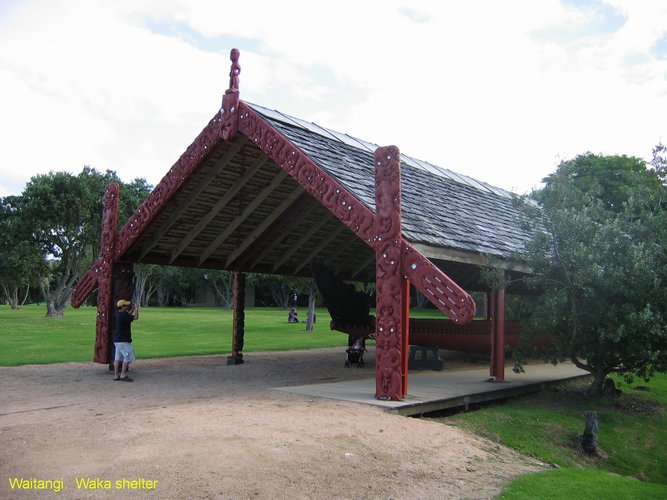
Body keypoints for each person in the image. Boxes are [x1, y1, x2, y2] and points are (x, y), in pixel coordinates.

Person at [113, 299, 139, 382]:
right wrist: (137, 309)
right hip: (123, 340)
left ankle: (116, 375)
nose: (127, 307)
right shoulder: (124, 315)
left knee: (117, 358)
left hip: (117, 340)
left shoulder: (119, 314)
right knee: (128, 356)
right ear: (122, 307)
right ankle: (123, 375)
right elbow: (135, 317)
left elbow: (128, 315)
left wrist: (133, 308)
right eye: (126, 305)